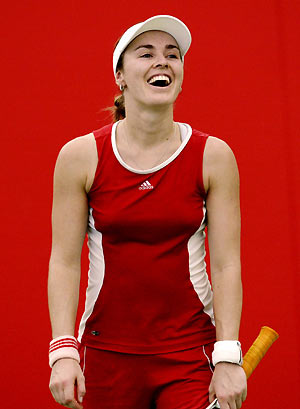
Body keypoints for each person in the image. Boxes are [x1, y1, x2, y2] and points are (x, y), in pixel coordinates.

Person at [48, 15, 247, 409]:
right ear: (120, 76)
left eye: (172, 55)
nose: (163, 62)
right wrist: (63, 350)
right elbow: (65, 261)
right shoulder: (80, 157)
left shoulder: (213, 156)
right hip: (106, 355)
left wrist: (227, 356)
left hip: (191, 354)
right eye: (147, 53)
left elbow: (226, 264)